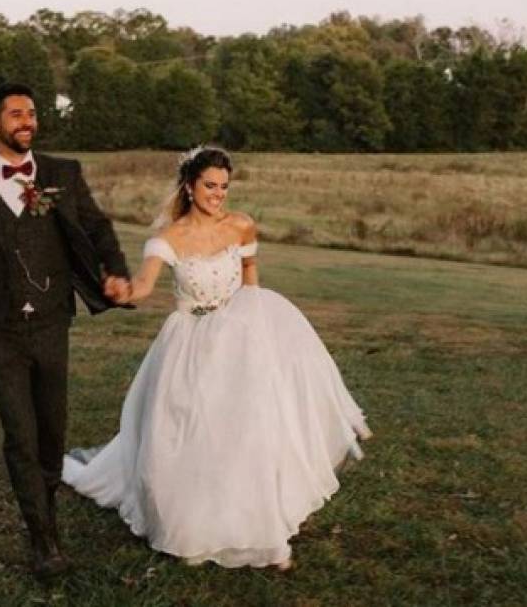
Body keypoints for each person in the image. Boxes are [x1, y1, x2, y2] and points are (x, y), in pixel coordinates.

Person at [64, 146, 372, 569]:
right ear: (190, 186)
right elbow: (144, 286)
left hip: (239, 337)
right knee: (187, 432)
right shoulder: (168, 239)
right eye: (210, 185)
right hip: (188, 342)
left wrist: (256, 325)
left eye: (224, 187)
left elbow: (250, 275)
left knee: (249, 430)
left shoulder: (241, 226)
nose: (218, 194)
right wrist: (122, 292)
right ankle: (191, 525)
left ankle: (262, 526)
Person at [0, 82, 130, 578]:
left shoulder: (63, 173)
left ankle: (48, 509)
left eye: (33, 113)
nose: (28, 121)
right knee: (20, 434)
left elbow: (99, 228)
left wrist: (115, 270)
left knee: (51, 432)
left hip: (50, 323)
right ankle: (45, 540)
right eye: (16, 114)